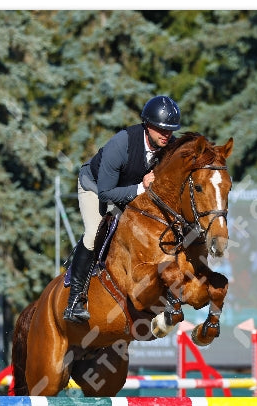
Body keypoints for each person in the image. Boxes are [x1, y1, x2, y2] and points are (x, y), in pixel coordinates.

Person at [63, 95, 181, 323]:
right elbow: (107, 193)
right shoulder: (122, 144)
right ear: (147, 125)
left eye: (170, 130)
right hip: (95, 187)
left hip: (131, 191)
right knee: (94, 232)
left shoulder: (169, 147)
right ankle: (75, 300)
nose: (166, 135)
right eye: (161, 129)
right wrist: (141, 187)